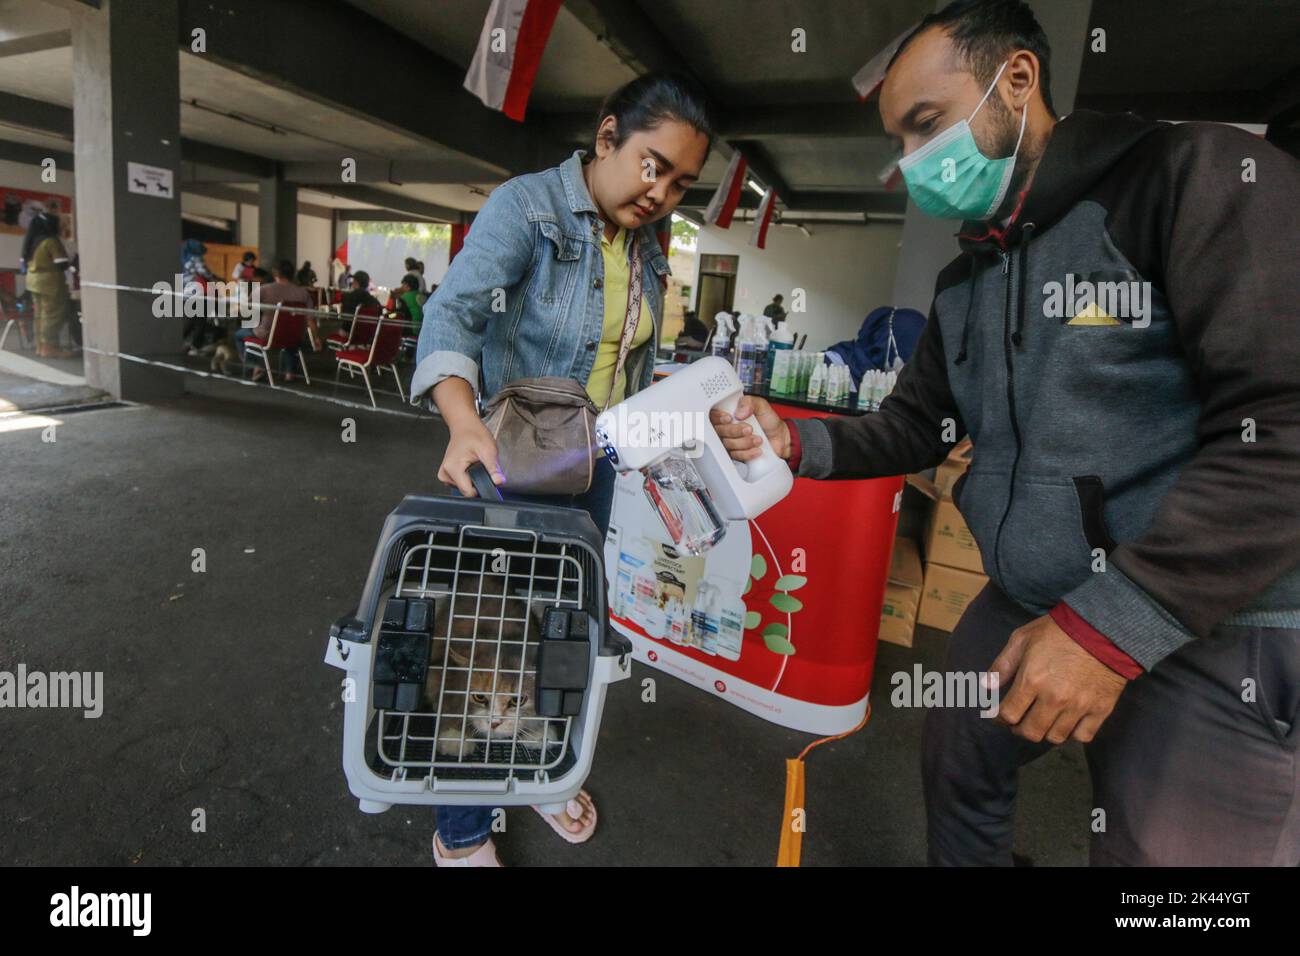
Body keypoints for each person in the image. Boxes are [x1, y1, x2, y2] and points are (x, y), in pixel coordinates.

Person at [713, 0, 1300, 867]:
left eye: (926, 125)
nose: (913, 163)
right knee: (960, 755)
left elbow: (1282, 424)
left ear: (1016, 80)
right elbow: (918, 425)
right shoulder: (969, 276)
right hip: (1032, 594)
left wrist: (1114, 627)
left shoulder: (1190, 179)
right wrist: (796, 444)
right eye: (900, 143)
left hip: (1209, 618)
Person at [410, 72, 712, 867]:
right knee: (478, 643)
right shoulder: (529, 209)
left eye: (681, 182)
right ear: (607, 136)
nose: (663, 193)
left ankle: (543, 770)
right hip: (504, 462)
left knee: (563, 632)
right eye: (654, 165)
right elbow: (452, 313)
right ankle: (463, 830)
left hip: (594, 469)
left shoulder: (648, 251)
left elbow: (632, 371)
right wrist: (462, 421)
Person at [236, 259, 316, 382]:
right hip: (295, 336)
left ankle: (254, 367)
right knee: (290, 333)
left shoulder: (264, 289)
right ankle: (290, 372)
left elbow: (246, 310)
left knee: (239, 335)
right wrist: (315, 339)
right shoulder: (303, 292)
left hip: (269, 335)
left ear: (275, 273)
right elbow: (311, 320)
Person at [21, 210, 72, 358]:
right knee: (53, 315)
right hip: (50, 283)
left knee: (40, 315)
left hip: (33, 282)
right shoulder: (50, 241)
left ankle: (41, 347)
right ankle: (50, 348)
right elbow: (61, 262)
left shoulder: (33, 241)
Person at [181, 238, 222, 354]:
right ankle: (195, 345)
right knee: (200, 320)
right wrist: (217, 278)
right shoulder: (196, 258)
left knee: (190, 319)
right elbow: (204, 272)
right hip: (198, 292)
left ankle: (179, 341)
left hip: (185, 293)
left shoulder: (183, 258)